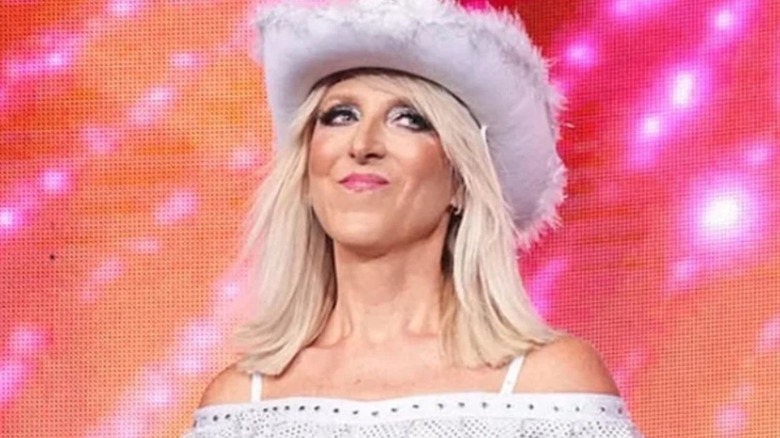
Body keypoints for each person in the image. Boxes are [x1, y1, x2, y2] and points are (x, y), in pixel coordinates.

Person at [185, 0, 643, 436]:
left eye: (409, 119)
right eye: (340, 115)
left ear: (462, 181)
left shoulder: (548, 387)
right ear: (306, 168)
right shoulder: (240, 406)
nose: (362, 144)